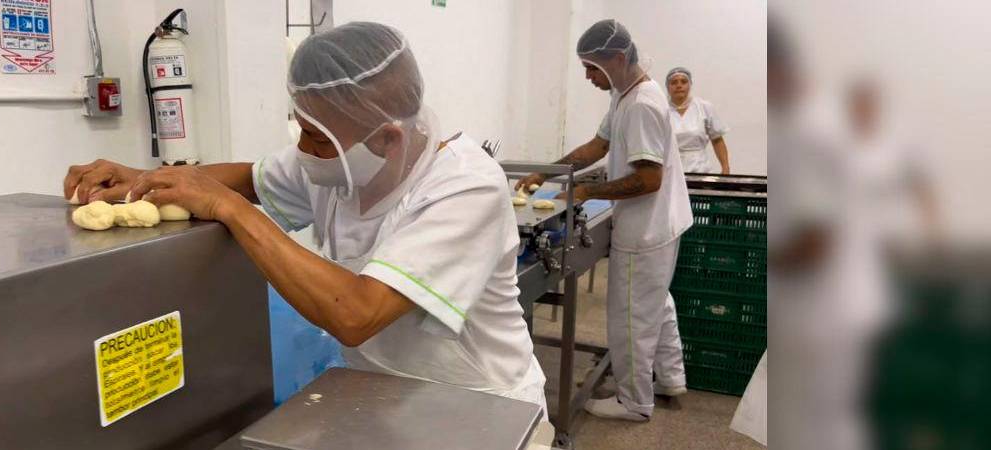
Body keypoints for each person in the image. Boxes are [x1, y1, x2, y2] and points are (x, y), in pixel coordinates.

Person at [63, 22, 549, 421]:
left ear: (387, 140)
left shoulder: (464, 188)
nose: (303, 152)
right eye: (302, 128)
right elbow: (248, 178)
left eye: (317, 141)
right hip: (387, 400)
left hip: (483, 411)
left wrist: (229, 209)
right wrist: (141, 180)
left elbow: (356, 314)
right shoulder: (341, 163)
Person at [516, 19, 693, 422]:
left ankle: (634, 402)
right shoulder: (625, 94)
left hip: (647, 228)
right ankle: (669, 378)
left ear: (617, 58)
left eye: (592, 67)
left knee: (631, 316)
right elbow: (598, 146)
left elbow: (649, 179)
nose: (587, 76)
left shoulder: (643, 105)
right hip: (664, 223)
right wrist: (548, 171)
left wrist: (588, 191)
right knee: (656, 305)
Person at [665, 67, 732, 174]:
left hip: (701, 169)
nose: (679, 86)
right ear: (668, 87)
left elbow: (717, 139)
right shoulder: (662, 110)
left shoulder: (704, 107)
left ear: (690, 84)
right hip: (671, 169)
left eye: (683, 82)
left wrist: (725, 168)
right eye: (674, 82)